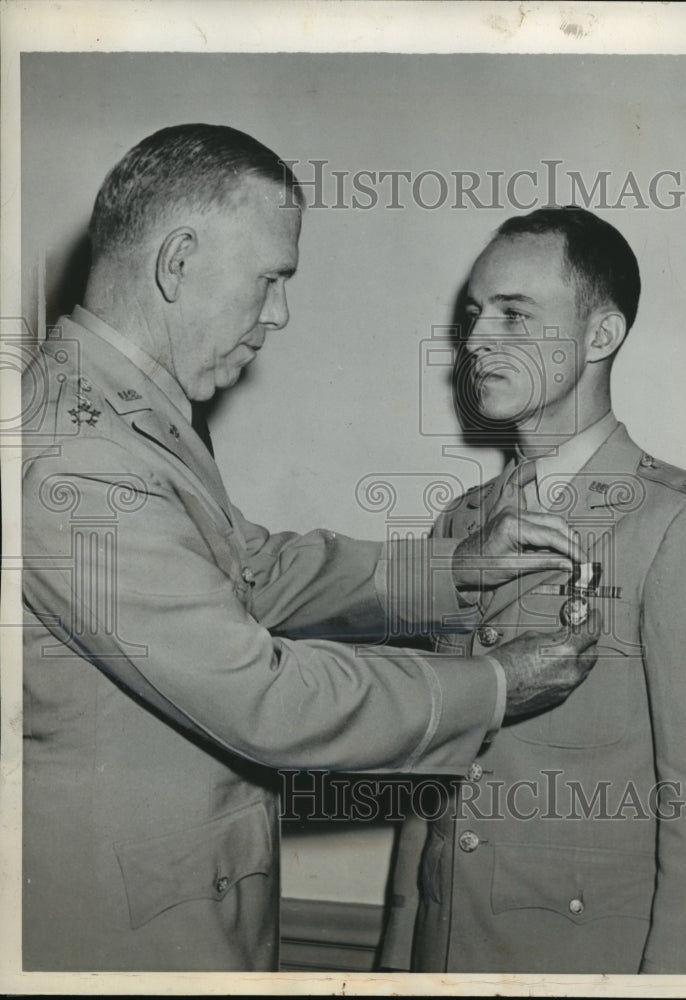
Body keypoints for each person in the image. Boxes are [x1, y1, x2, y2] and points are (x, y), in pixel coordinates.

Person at [21, 126, 600, 972]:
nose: (280, 314)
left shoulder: (121, 411)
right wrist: (497, 683)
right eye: (272, 279)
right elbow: (267, 699)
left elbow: (253, 570)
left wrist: (454, 570)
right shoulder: (76, 453)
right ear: (178, 262)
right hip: (129, 935)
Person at [379, 206, 686, 975]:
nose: (474, 343)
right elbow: (435, 781)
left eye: (515, 314)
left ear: (600, 336)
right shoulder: (460, 525)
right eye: (474, 315)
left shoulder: (682, 525)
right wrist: (398, 963)